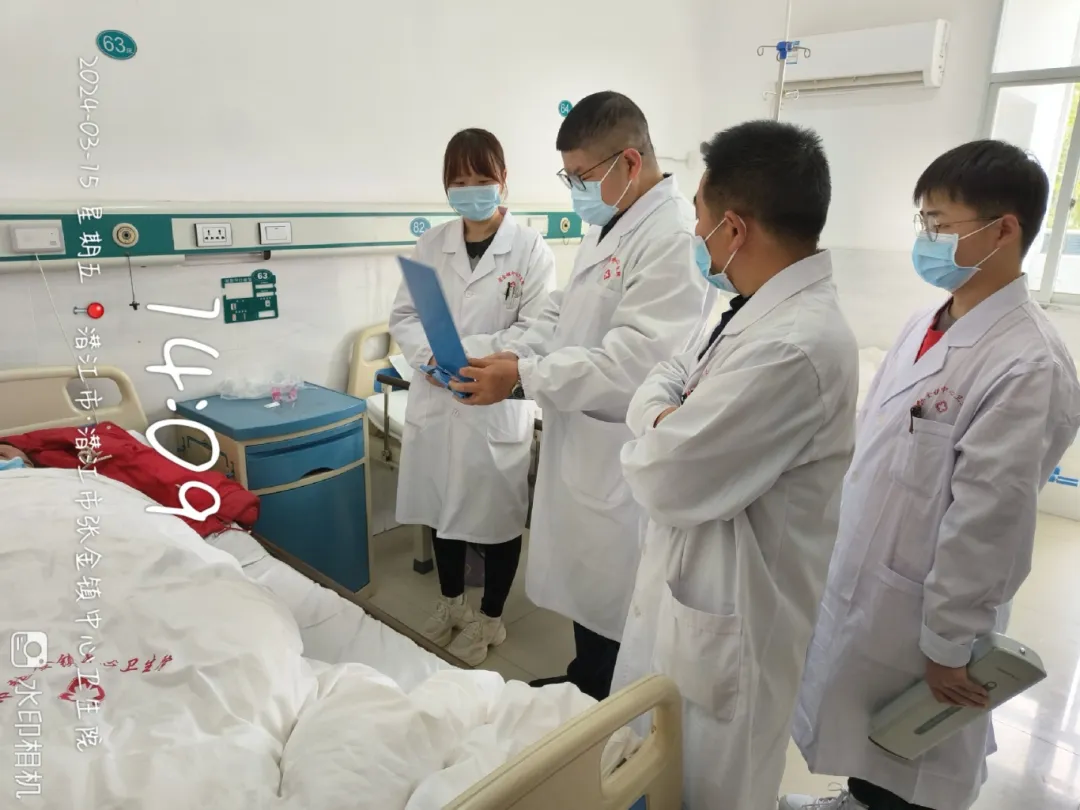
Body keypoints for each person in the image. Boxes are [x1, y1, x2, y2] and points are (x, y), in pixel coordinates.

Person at [783, 140, 1080, 810]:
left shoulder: (1028, 363)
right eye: (923, 221)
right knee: (866, 725)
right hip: (871, 576)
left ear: (1003, 230)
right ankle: (857, 799)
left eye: (939, 223)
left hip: (927, 605)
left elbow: (989, 523)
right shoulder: (929, 321)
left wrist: (951, 640)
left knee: (914, 743)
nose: (926, 239)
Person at [604, 120, 858, 810]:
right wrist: (667, 417)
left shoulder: (794, 347)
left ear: (734, 228)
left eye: (699, 216)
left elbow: (666, 478)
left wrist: (662, 423)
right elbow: (666, 376)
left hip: (734, 625)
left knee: (711, 789)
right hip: (696, 600)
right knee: (657, 772)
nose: (696, 232)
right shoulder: (749, 312)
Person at [448, 91, 714, 700]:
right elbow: (563, 313)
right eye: (567, 176)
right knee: (587, 594)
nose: (574, 190)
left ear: (628, 161)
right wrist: (507, 354)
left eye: (580, 176)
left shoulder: (673, 236)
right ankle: (583, 682)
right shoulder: (609, 223)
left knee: (617, 603)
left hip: (621, 453)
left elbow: (636, 363)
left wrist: (524, 377)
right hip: (584, 443)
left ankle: (606, 708)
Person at [389, 128, 557, 667]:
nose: (470, 190)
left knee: (497, 520)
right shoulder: (430, 245)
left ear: (503, 179)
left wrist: (464, 355)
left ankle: (490, 619)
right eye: (458, 181)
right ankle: (452, 604)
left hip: (493, 404)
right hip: (438, 398)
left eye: (481, 179)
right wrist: (429, 358)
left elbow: (538, 328)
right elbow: (405, 316)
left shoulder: (529, 249)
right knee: (442, 510)